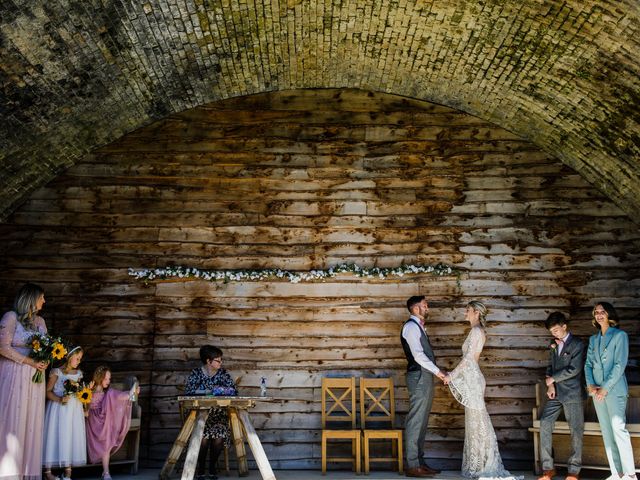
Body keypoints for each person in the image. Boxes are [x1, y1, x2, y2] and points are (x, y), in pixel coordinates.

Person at [445, 301, 522, 480]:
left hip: (473, 379)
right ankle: (477, 463)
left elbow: (469, 360)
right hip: (472, 378)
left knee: (477, 421)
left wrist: (451, 375)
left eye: (468, 310)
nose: (465, 312)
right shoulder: (476, 331)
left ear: (476, 313)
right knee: (475, 422)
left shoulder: (476, 331)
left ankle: (483, 465)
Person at [0, 282, 49, 480]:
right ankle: (9, 472)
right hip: (14, 375)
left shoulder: (40, 321)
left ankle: (27, 472)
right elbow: (2, 347)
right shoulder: (10, 317)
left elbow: (47, 346)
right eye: (41, 297)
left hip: (35, 380)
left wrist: (46, 359)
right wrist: (30, 362)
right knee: (13, 420)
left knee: (31, 422)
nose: (44, 301)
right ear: (31, 299)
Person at [584, 302, 636, 480]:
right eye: (596, 312)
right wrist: (591, 385)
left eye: (602, 312)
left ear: (609, 314)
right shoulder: (593, 339)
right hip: (596, 392)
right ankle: (617, 472)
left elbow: (619, 364)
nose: (599, 315)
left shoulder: (620, 335)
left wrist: (604, 388)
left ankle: (630, 474)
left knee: (618, 429)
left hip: (613, 391)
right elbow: (588, 364)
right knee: (606, 431)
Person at [400, 296, 447, 478]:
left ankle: (419, 462)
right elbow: (418, 356)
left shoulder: (419, 326)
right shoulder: (411, 327)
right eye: (424, 305)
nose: (427, 307)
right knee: (416, 419)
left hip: (424, 376)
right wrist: (438, 372)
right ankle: (412, 465)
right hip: (418, 376)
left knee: (422, 420)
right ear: (415, 308)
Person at [537, 312, 586, 480]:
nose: (554, 334)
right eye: (552, 331)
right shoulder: (553, 345)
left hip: (573, 394)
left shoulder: (578, 344)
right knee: (544, 423)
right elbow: (550, 366)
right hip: (556, 394)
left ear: (565, 326)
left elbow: (575, 369)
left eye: (556, 330)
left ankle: (574, 471)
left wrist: (553, 379)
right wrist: (550, 384)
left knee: (576, 431)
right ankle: (548, 469)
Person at [185, 345, 237, 480]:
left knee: (219, 435)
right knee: (202, 437)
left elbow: (233, 391)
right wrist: (211, 391)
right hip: (198, 415)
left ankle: (212, 467)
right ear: (208, 361)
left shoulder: (223, 374)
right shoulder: (196, 373)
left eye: (221, 360)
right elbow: (189, 391)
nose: (221, 363)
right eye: (218, 360)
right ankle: (201, 468)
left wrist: (221, 391)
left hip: (218, 415)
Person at [86, 366, 139, 480]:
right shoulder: (90, 389)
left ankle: (106, 472)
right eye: (106, 379)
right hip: (93, 421)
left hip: (105, 420)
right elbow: (85, 404)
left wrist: (130, 394)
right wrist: (88, 392)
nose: (108, 381)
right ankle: (130, 394)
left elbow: (115, 398)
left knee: (106, 443)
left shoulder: (107, 392)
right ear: (99, 378)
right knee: (111, 394)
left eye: (109, 379)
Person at [43, 346, 87, 480]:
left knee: (70, 436)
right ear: (70, 357)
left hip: (73, 409)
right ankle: (48, 472)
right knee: (54, 435)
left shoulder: (78, 373)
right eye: (77, 358)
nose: (79, 361)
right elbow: (47, 391)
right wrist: (60, 399)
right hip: (58, 408)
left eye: (80, 359)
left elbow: (80, 392)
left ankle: (68, 471)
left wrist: (85, 397)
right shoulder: (56, 372)